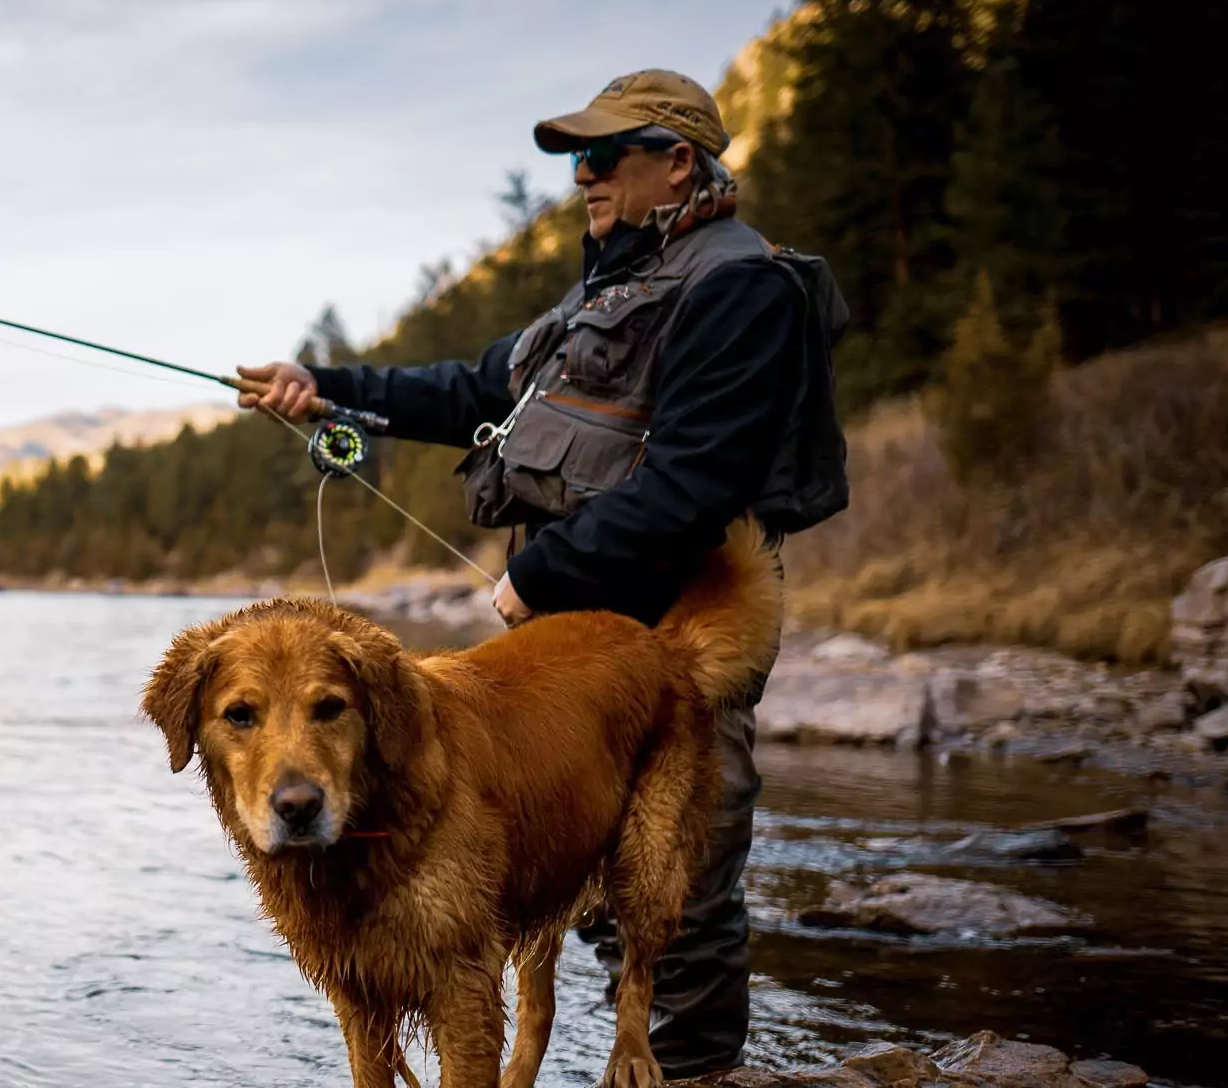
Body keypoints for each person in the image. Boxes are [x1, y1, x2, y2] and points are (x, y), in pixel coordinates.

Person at [234, 68, 847, 1076]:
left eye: (602, 156)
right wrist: (326, 389)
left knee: (681, 890)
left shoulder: (739, 286)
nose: (581, 178)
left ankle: (688, 1072)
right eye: (574, 159)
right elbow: (473, 388)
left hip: (674, 625)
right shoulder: (604, 292)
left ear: (676, 160)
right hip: (564, 642)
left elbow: (696, 480)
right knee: (576, 877)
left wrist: (538, 574)